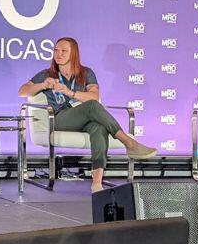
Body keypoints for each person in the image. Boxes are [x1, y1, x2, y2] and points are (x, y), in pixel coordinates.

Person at [18, 37, 157, 193]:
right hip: (59, 118)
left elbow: (94, 96)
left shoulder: (86, 73)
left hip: (82, 117)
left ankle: (97, 183)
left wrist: (69, 92)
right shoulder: (47, 74)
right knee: (92, 106)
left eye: (64, 50)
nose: (59, 54)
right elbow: (22, 91)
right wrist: (43, 85)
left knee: (98, 128)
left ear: (73, 54)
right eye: (56, 50)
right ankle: (129, 143)